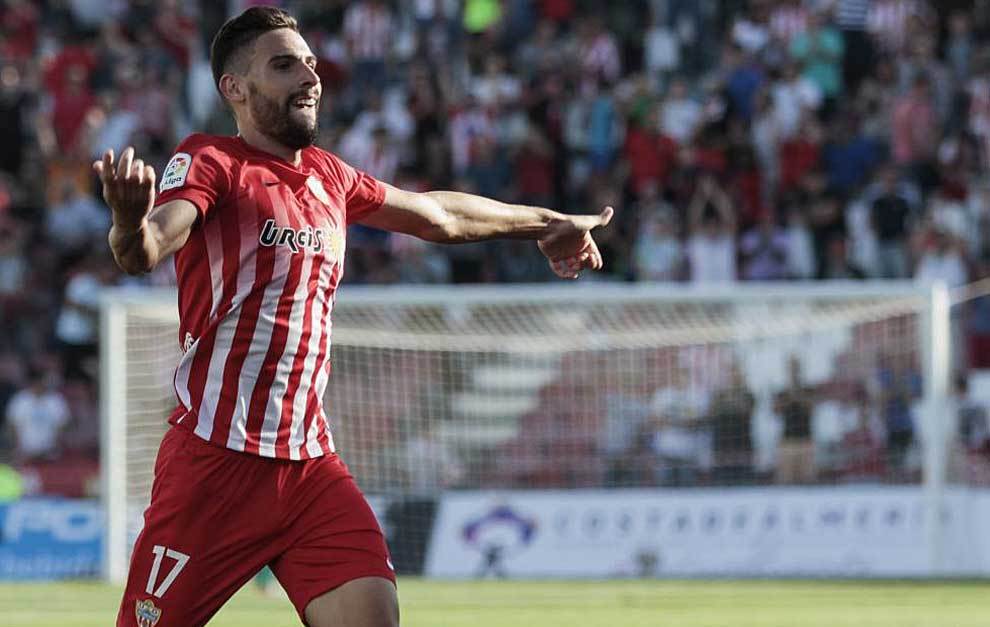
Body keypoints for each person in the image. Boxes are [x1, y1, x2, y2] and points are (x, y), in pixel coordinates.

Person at [95, 7, 611, 627]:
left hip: (310, 469)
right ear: (235, 88)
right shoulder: (212, 161)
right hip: (214, 464)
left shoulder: (329, 176)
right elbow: (147, 247)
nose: (309, 77)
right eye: (284, 66)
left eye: (310, 63)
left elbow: (439, 216)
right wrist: (129, 221)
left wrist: (548, 223)